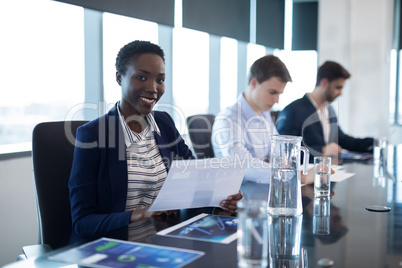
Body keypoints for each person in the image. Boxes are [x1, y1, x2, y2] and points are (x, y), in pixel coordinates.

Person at [68, 40, 242, 239]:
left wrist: (224, 196)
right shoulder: (93, 135)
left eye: (160, 80)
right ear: (119, 78)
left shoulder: (164, 123)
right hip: (119, 243)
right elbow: (82, 222)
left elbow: (198, 179)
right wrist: (138, 214)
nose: (153, 88)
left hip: (163, 236)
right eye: (141, 77)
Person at [211, 55, 293, 183]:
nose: (276, 100)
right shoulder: (228, 119)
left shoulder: (264, 113)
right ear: (254, 83)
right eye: (272, 92)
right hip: (239, 195)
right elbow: (242, 166)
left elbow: (278, 150)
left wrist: (279, 162)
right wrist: (283, 172)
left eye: (279, 94)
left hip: (264, 189)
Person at [276, 61, 373, 160]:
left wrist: (372, 143)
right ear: (325, 83)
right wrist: (321, 150)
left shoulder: (329, 109)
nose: (341, 93)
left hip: (328, 171)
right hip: (306, 173)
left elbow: (341, 139)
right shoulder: (293, 110)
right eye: (338, 87)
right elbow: (285, 151)